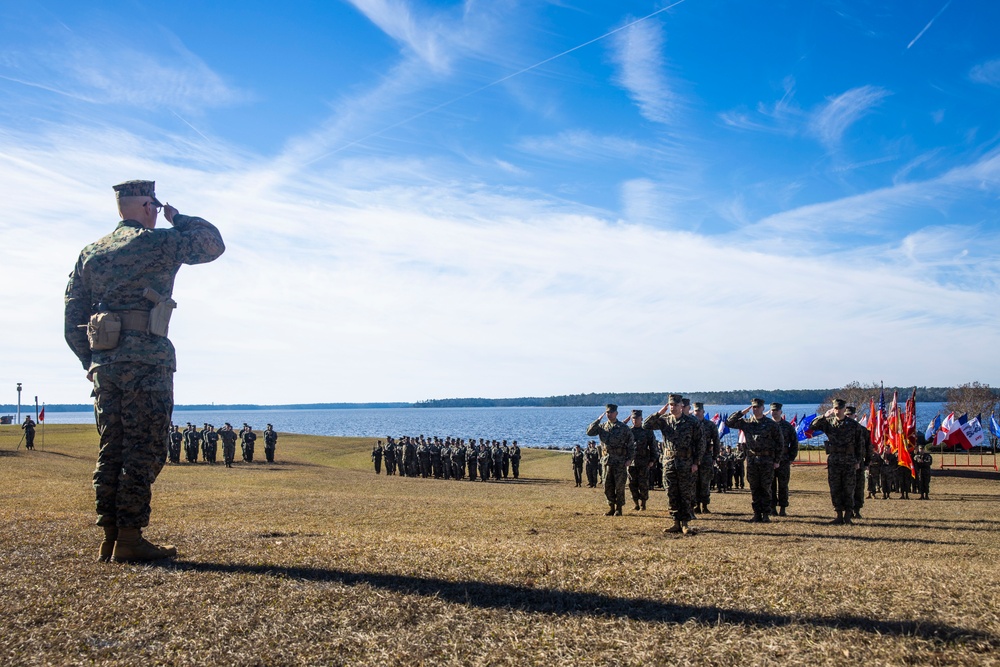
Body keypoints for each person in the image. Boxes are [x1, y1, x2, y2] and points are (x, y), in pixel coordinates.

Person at [64, 179, 224, 562]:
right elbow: (212, 243)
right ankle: (130, 538)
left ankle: (110, 536)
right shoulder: (158, 242)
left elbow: (72, 315)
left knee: (112, 447)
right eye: (153, 205)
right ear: (148, 206)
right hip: (147, 359)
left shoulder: (91, 252)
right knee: (144, 447)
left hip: (106, 362)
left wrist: (91, 361)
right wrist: (178, 217)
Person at [643, 395, 704, 534]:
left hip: (686, 462)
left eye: (675, 405)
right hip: (669, 462)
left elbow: (700, 442)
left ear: (681, 406)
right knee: (671, 492)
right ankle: (675, 522)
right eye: (670, 405)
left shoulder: (691, 422)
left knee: (685, 493)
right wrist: (659, 413)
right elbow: (647, 425)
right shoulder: (664, 420)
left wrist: (696, 462)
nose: (672, 407)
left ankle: (685, 523)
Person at [726, 398, 784, 523]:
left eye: (758, 407)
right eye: (754, 407)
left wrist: (777, 460)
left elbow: (780, 443)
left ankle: (766, 514)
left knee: (766, 487)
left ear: (763, 408)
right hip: (752, 459)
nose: (756, 409)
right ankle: (757, 513)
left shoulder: (771, 424)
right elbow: (729, 423)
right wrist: (742, 412)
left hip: (767, 459)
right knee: (754, 487)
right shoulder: (747, 423)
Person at [811, 398, 864, 525]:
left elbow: (860, 445)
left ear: (844, 409)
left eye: (840, 408)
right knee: (835, 488)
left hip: (849, 460)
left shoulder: (853, 425)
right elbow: (813, 426)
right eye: (835, 408)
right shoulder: (829, 423)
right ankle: (839, 515)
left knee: (849, 488)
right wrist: (824, 416)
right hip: (834, 460)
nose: (837, 411)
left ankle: (848, 516)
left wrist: (858, 461)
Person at [586, 404, 635, 516]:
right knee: (607, 485)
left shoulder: (623, 428)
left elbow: (631, 445)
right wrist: (598, 420)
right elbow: (589, 432)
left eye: (611, 412)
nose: (609, 414)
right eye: (607, 412)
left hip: (620, 460)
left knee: (619, 485)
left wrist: (629, 459)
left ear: (616, 413)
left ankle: (619, 508)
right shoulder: (602, 427)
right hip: (607, 460)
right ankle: (611, 507)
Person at [768, 402, 799, 517]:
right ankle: (772, 508)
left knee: (783, 485)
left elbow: (794, 443)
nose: (774, 412)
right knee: (771, 485)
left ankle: (783, 508)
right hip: (770, 460)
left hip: (784, 460)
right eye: (772, 410)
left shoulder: (787, 426)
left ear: (781, 412)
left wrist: (791, 458)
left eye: (776, 410)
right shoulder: (767, 425)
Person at [627, 409, 658, 511]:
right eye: (633, 418)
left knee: (643, 484)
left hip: (644, 462)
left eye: (637, 418)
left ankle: (643, 504)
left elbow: (653, 446)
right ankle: (635, 503)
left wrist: (652, 460)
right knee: (632, 484)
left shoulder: (647, 431)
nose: (635, 420)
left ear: (641, 419)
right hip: (631, 463)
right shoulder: (629, 432)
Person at [846, 406, 874, 519]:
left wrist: (867, 462)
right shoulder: (842, 430)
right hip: (845, 463)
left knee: (858, 487)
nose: (849, 417)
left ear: (855, 416)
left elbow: (868, 448)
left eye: (850, 415)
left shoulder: (863, 431)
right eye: (846, 415)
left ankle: (857, 510)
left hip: (858, 463)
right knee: (847, 487)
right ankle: (848, 510)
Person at [693, 403, 720, 514]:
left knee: (705, 481)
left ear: (703, 412)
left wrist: (715, 456)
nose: (697, 412)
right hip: (693, 457)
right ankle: (696, 505)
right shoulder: (691, 424)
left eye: (699, 410)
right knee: (694, 482)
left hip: (706, 457)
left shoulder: (710, 425)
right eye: (695, 410)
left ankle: (704, 505)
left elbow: (716, 441)